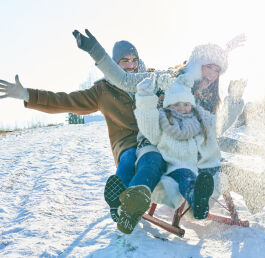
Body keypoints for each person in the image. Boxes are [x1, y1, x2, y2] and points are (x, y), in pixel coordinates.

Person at [73, 29, 265, 215]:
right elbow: (125, 79)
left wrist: (252, 143)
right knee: (224, 169)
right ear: (195, 66)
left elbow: (216, 134)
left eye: (216, 71)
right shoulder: (168, 79)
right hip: (172, 160)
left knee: (226, 166)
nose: (211, 76)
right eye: (206, 68)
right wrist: (95, 51)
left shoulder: (200, 101)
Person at [0, 39, 168, 233]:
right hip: (126, 143)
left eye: (134, 59)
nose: (131, 65)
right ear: (114, 64)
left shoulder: (151, 79)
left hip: (152, 139)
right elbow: (66, 101)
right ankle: (119, 199)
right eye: (124, 61)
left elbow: (178, 85)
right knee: (129, 158)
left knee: (151, 160)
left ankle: (133, 200)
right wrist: (27, 95)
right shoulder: (103, 91)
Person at [134, 73, 220, 222]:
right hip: (173, 166)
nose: (182, 108)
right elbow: (148, 124)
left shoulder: (197, 118)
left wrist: (234, 101)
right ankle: (196, 202)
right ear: (168, 105)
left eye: (186, 104)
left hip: (194, 165)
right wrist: (145, 97)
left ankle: (199, 202)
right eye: (176, 104)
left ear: (191, 104)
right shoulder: (162, 119)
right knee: (187, 179)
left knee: (195, 178)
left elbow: (220, 123)